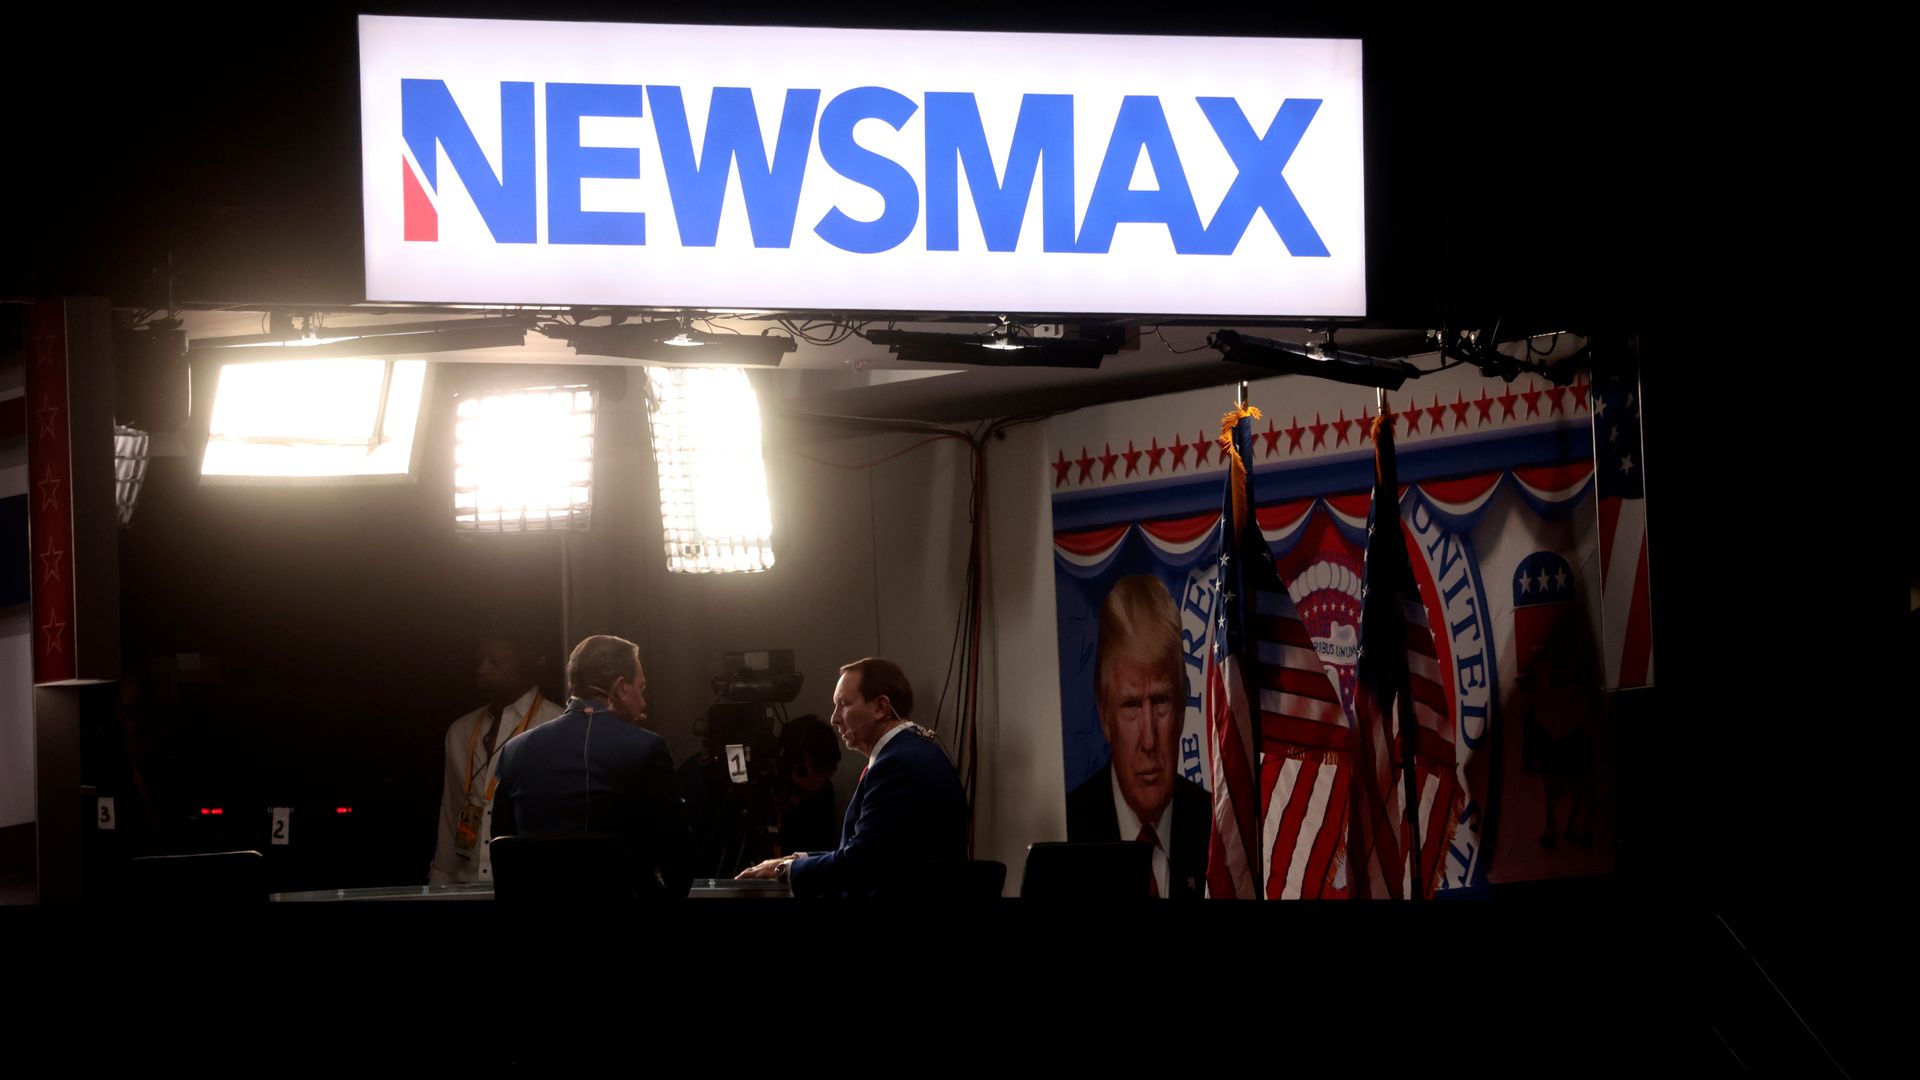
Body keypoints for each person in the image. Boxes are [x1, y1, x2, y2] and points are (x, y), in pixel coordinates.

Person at [737, 658, 965, 897]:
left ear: (880, 707)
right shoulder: (913, 751)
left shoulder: (897, 765)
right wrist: (797, 860)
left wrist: (786, 869)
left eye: (843, 704)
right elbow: (874, 854)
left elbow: (859, 864)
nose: (834, 718)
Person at [491, 634, 692, 899]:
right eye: (640, 689)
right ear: (620, 687)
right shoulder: (647, 749)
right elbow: (678, 866)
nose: (642, 704)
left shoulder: (514, 751)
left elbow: (505, 857)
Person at [1065, 575, 1209, 898]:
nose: (1148, 740)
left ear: (1183, 709)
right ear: (1105, 715)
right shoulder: (1066, 834)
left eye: (1160, 702)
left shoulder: (1217, 832)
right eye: (1130, 705)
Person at [429, 632, 560, 885]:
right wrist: (439, 882)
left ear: (525, 665)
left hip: (527, 889)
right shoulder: (461, 731)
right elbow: (451, 812)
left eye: (495, 662)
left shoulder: (553, 725)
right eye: (480, 661)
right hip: (464, 887)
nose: (482, 669)